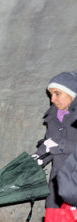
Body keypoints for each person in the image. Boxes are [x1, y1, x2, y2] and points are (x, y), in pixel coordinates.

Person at [33, 71, 77, 208]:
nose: (52, 99)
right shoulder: (53, 117)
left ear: (72, 93)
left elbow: (58, 145)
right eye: (51, 94)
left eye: (57, 93)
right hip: (59, 179)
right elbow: (50, 143)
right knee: (54, 216)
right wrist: (39, 157)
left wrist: (62, 146)